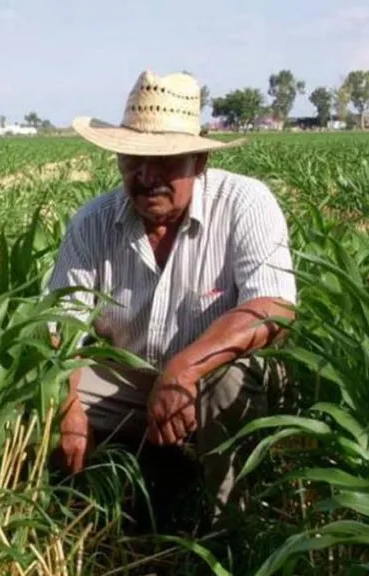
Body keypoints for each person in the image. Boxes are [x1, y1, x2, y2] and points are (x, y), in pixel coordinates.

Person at [46, 70, 298, 530]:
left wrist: (184, 369)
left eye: (165, 161)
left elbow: (274, 306)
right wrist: (64, 409)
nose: (147, 177)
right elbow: (59, 328)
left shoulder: (244, 203)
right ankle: (79, 514)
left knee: (229, 382)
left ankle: (230, 530)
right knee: (39, 392)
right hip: (131, 379)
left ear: (199, 160)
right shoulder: (93, 223)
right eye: (133, 160)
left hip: (213, 378)